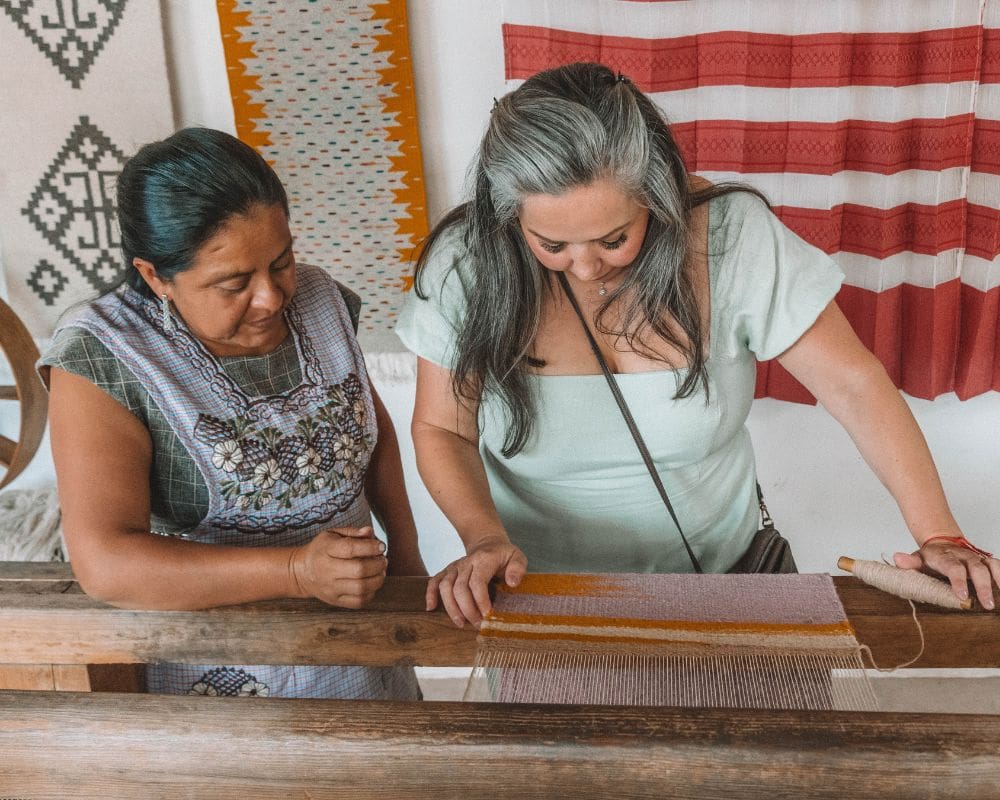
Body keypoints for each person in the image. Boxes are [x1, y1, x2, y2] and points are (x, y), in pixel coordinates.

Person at [395, 62, 999, 628]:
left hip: (728, 586)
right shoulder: (465, 266)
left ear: (656, 195)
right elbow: (443, 428)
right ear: (510, 216)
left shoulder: (733, 237)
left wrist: (939, 534)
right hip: (540, 600)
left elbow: (854, 387)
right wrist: (484, 539)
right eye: (551, 244)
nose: (583, 267)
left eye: (612, 239)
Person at [40, 127, 427, 699]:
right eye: (233, 283)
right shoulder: (103, 357)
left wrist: (408, 556)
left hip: (357, 644)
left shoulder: (319, 300)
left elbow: (370, 427)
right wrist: (297, 572)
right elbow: (105, 562)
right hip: (218, 666)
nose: (271, 296)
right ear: (155, 276)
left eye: (282, 260)